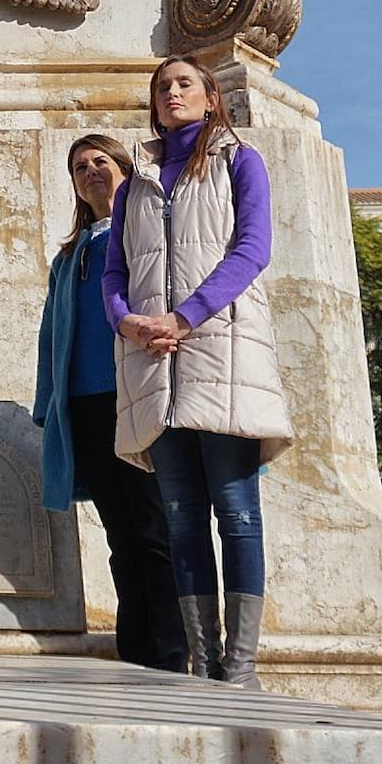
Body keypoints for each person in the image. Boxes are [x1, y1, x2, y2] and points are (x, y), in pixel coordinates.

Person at [103, 55, 293, 688]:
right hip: (153, 361)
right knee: (181, 515)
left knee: (236, 509)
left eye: (184, 83)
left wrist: (184, 317)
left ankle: (240, 667)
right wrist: (127, 321)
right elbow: (115, 272)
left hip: (219, 350)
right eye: (163, 87)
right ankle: (202, 662)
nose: (172, 92)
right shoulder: (136, 182)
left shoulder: (240, 161)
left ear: (211, 97)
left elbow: (253, 248)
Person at [32, 134, 187, 673]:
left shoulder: (144, 229)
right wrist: (49, 404)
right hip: (85, 403)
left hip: (136, 395)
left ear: (124, 167)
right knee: (120, 533)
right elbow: (53, 333)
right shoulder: (70, 254)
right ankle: (136, 651)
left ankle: (173, 651)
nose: (91, 171)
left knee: (154, 528)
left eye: (101, 161)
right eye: (79, 167)